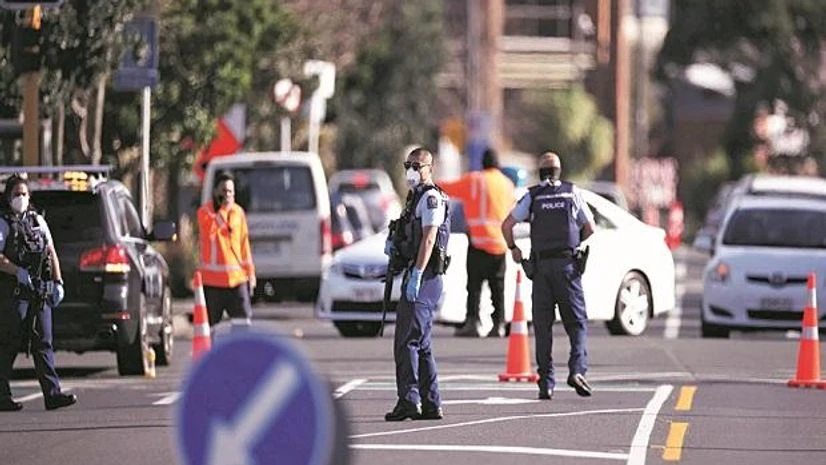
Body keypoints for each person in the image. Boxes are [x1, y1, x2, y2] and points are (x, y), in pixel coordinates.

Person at [501, 152, 595, 400]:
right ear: (558, 171)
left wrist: (514, 249)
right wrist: (573, 242)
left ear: (541, 172)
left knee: (543, 329)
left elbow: (507, 225)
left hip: (541, 271)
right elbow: (590, 227)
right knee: (576, 324)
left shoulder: (532, 196)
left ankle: (546, 382)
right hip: (568, 269)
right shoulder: (571, 192)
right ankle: (577, 370)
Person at [383, 147, 451, 421]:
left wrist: (417, 274)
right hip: (418, 274)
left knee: (406, 341)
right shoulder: (414, 197)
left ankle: (409, 400)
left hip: (425, 278)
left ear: (429, 168)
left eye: (417, 165)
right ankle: (431, 402)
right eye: (408, 165)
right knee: (420, 343)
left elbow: (429, 239)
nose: (412, 170)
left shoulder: (431, 197)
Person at [0, 175, 76, 411]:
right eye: (16, 194)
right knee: (8, 342)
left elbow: (50, 251)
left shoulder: (38, 221)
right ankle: (1, 395)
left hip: (40, 290)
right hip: (15, 291)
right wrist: (18, 272)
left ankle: (52, 394)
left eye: (24, 194)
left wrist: (58, 281)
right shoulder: (3, 224)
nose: (20, 198)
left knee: (44, 342)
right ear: (8, 197)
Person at [439, 148, 515, 338]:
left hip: (479, 243)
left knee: (474, 286)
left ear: (482, 162)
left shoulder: (475, 180)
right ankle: (498, 324)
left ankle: (472, 322)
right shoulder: (507, 184)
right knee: (498, 288)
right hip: (500, 244)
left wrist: (429, 181)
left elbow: (447, 188)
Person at [196, 172, 256, 329]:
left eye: (230, 191)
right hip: (213, 282)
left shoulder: (238, 213)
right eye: (223, 191)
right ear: (215, 192)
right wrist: (220, 209)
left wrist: (250, 273)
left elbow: (244, 246)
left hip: (237, 281)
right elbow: (209, 232)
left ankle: (239, 354)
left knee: (243, 324)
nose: (227, 195)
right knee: (210, 328)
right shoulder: (205, 213)